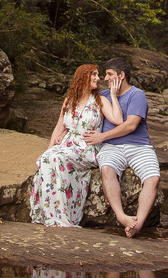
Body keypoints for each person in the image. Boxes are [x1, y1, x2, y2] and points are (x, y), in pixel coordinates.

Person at [29, 64, 122, 227]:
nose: (98, 78)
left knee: (57, 158)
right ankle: (47, 214)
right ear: (82, 77)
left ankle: (61, 217)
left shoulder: (100, 100)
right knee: (45, 159)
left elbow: (118, 120)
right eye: (93, 74)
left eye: (98, 75)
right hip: (67, 145)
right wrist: (47, 149)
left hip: (87, 147)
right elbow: (59, 128)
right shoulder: (69, 101)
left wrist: (113, 96)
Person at [83, 57, 160, 238]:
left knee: (153, 178)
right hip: (112, 147)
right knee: (107, 169)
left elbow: (131, 125)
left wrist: (102, 136)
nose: (105, 78)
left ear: (121, 75)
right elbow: (81, 113)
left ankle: (137, 224)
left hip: (139, 146)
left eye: (109, 74)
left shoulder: (137, 95)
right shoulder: (102, 95)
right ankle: (122, 217)